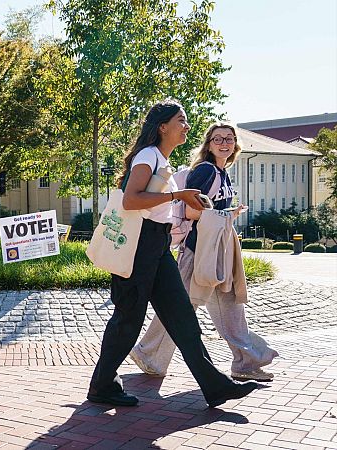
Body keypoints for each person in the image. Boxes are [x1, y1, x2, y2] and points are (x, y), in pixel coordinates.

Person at [86, 100, 258, 408]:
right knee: (128, 319)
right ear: (163, 126)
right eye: (181, 120)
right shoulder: (148, 155)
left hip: (158, 246)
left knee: (182, 318)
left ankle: (215, 386)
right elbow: (130, 201)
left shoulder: (161, 158)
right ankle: (101, 385)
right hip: (139, 247)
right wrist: (177, 195)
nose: (187, 126)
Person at [130, 122, 278, 381]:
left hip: (216, 249)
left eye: (229, 139)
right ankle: (148, 353)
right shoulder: (205, 171)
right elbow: (189, 211)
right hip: (198, 250)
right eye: (218, 139)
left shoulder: (223, 172)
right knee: (182, 308)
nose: (224, 143)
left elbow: (209, 211)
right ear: (208, 144)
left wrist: (229, 214)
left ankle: (245, 363)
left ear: (235, 145)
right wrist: (225, 214)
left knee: (228, 307)